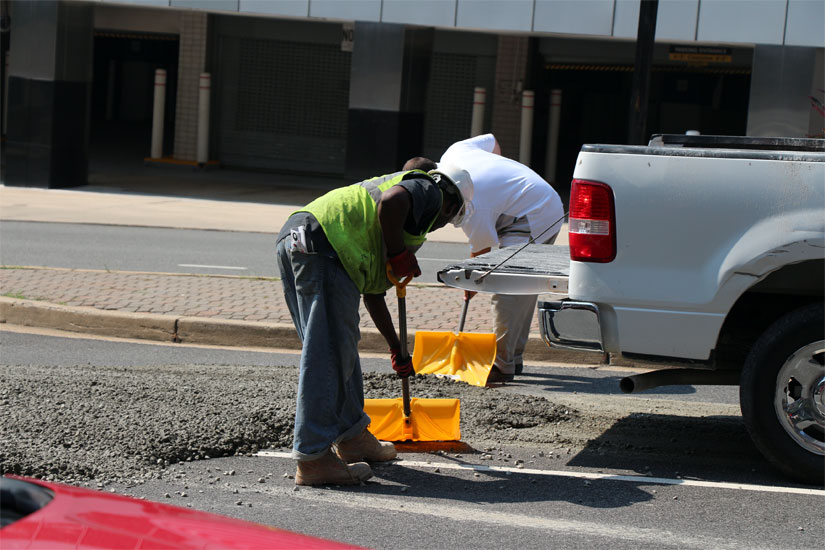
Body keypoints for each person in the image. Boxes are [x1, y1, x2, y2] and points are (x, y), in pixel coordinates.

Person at [275, 163, 473, 486]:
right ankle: (312, 459)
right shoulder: (430, 192)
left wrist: (396, 347)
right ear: (451, 205)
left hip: (300, 238)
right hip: (325, 246)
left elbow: (374, 296)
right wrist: (398, 254)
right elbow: (391, 202)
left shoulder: (388, 223)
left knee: (339, 350)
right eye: (450, 219)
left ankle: (352, 436)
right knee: (327, 356)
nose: (441, 225)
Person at [439, 133, 564, 385]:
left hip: (533, 215)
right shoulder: (454, 152)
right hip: (537, 202)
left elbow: (480, 258)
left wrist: (469, 284)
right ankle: (513, 358)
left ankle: (501, 363)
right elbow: (493, 140)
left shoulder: (473, 207)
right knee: (523, 288)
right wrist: (502, 183)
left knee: (506, 287)